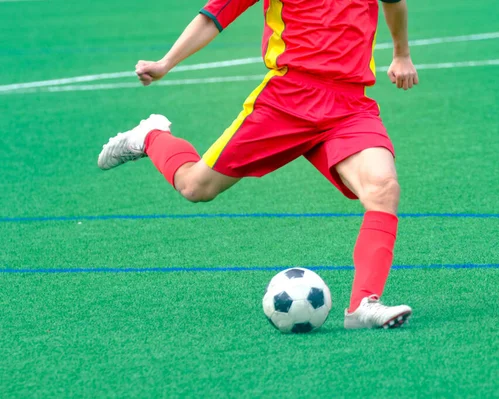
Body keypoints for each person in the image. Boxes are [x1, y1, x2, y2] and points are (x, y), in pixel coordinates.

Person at [98, 0, 419, 329]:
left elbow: (394, 3)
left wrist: (402, 54)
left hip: (349, 104)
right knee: (195, 187)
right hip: (288, 99)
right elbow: (216, 15)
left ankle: (363, 305)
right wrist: (166, 63)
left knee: (382, 188)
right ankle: (150, 136)